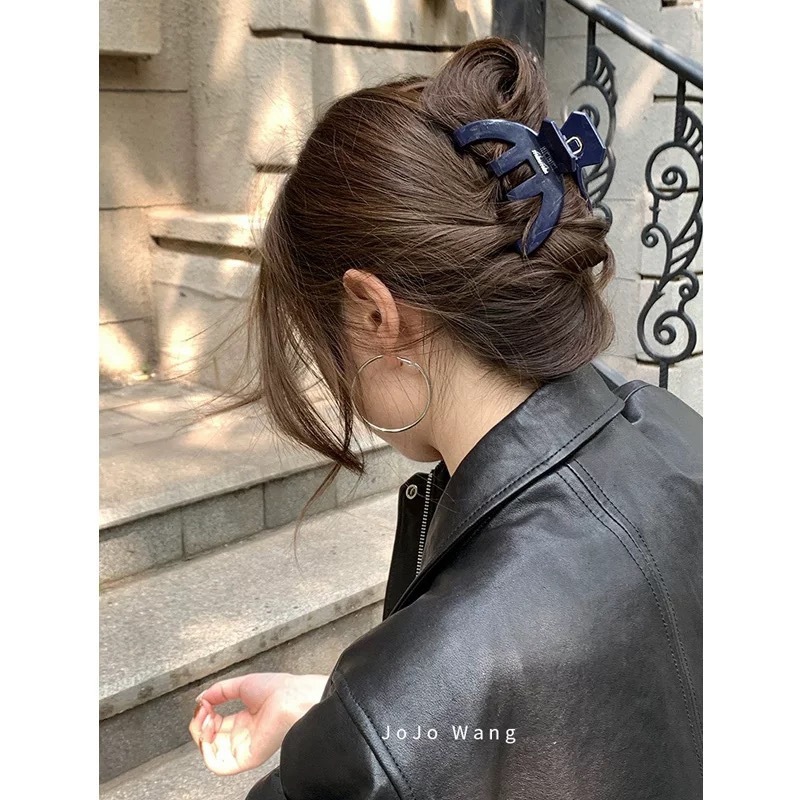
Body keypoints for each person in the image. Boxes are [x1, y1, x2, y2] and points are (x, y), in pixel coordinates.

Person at [188, 36, 702, 799]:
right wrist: (343, 706)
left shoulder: (379, 736)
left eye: (320, 340)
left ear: (373, 314)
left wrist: (365, 722)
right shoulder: (681, 434)